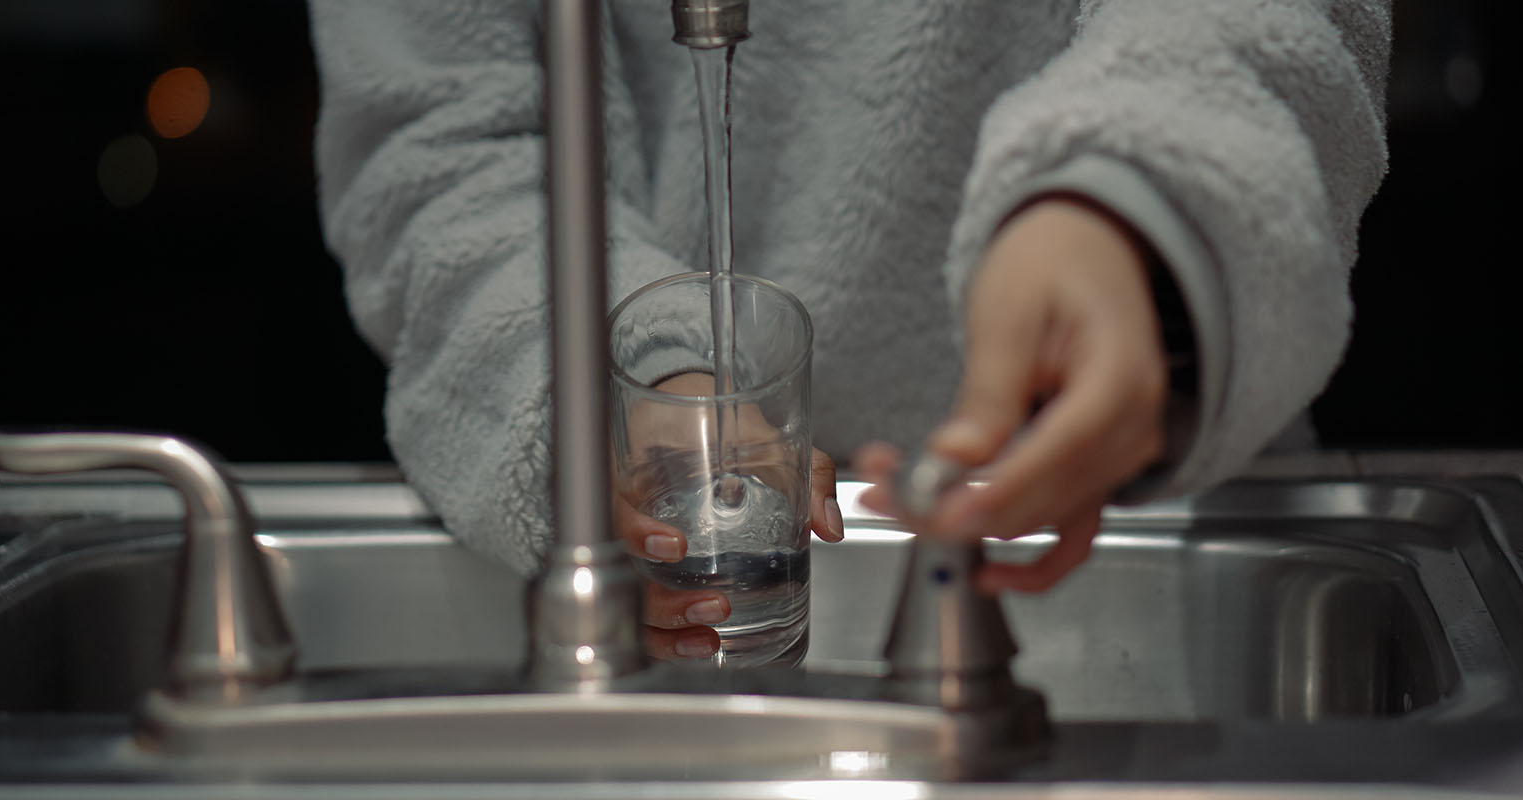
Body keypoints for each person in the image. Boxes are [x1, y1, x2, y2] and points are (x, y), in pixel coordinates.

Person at [306, 0, 1391, 659]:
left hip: (1136, 561)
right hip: (659, 610)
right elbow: (439, 140)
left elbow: (1277, 21)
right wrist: (621, 381)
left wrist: (1129, 206)